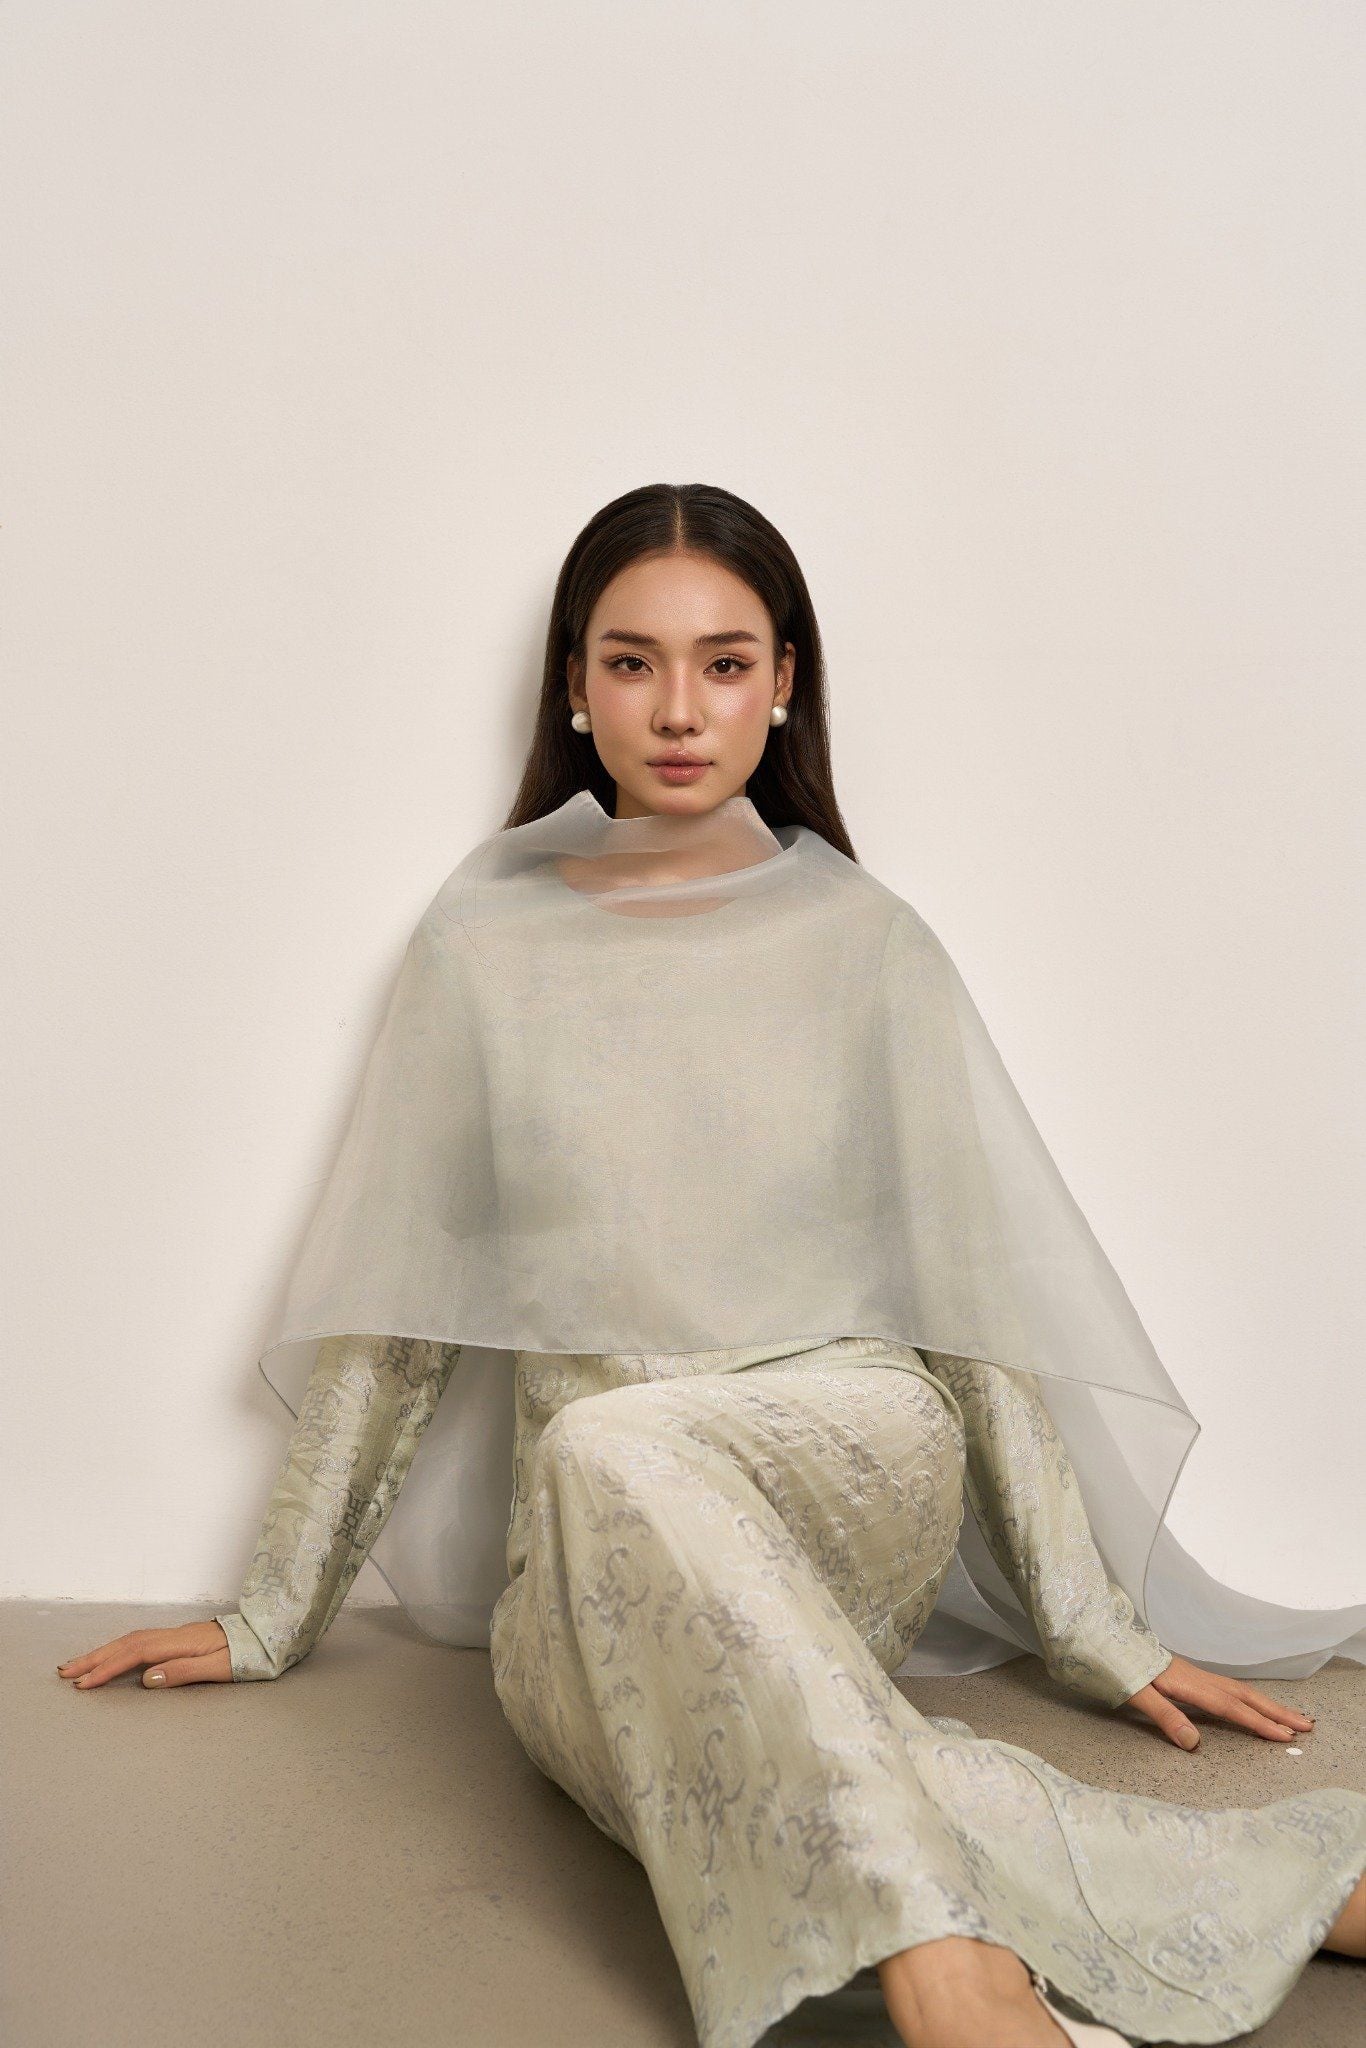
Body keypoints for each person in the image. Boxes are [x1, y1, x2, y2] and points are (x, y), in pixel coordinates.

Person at [59, 485, 1365, 2048]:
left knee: (618, 1476)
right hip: (593, 1546)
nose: (678, 710)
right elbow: (404, 1315)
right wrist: (276, 1609)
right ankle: (1300, 1887)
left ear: (784, 681)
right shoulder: (480, 942)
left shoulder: (866, 940)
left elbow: (971, 1307)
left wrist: (1088, 1621)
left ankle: (940, 1966)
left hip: (846, 1457)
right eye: (632, 662)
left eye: (725, 663)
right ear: (573, 682)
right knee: (630, 1607)